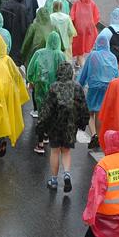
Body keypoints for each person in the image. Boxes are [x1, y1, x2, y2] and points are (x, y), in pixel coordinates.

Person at [36, 62, 89, 192]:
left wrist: (41, 127)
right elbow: (83, 109)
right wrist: (82, 123)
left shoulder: (53, 87)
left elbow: (46, 110)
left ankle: (54, 180)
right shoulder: (77, 88)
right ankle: (66, 174)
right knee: (66, 151)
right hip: (70, 126)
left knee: (55, 151)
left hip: (55, 126)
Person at [26, 31, 66, 152]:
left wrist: (31, 80)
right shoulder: (60, 55)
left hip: (41, 87)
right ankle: (47, 135)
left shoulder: (39, 53)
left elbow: (31, 69)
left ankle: (40, 144)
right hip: (55, 90)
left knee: (42, 115)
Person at [78, 35, 119, 150]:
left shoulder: (93, 55)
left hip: (94, 87)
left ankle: (94, 134)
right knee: (100, 112)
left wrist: (79, 85)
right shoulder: (113, 57)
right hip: (108, 88)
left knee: (90, 112)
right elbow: (116, 74)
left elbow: (84, 73)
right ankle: (99, 137)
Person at [0, 0, 31, 65]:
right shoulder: (22, 9)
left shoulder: (4, 5)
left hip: (2, 39)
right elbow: (25, 28)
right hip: (16, 43)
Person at [70, 0, 100, 68]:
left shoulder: (77, 4)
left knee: (79, 50)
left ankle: (83, 68)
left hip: (78, 31)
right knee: (82, 49)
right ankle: (77, 63)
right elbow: (96, 17)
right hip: (89, 32)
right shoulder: (92, 4)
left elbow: (71, 17)